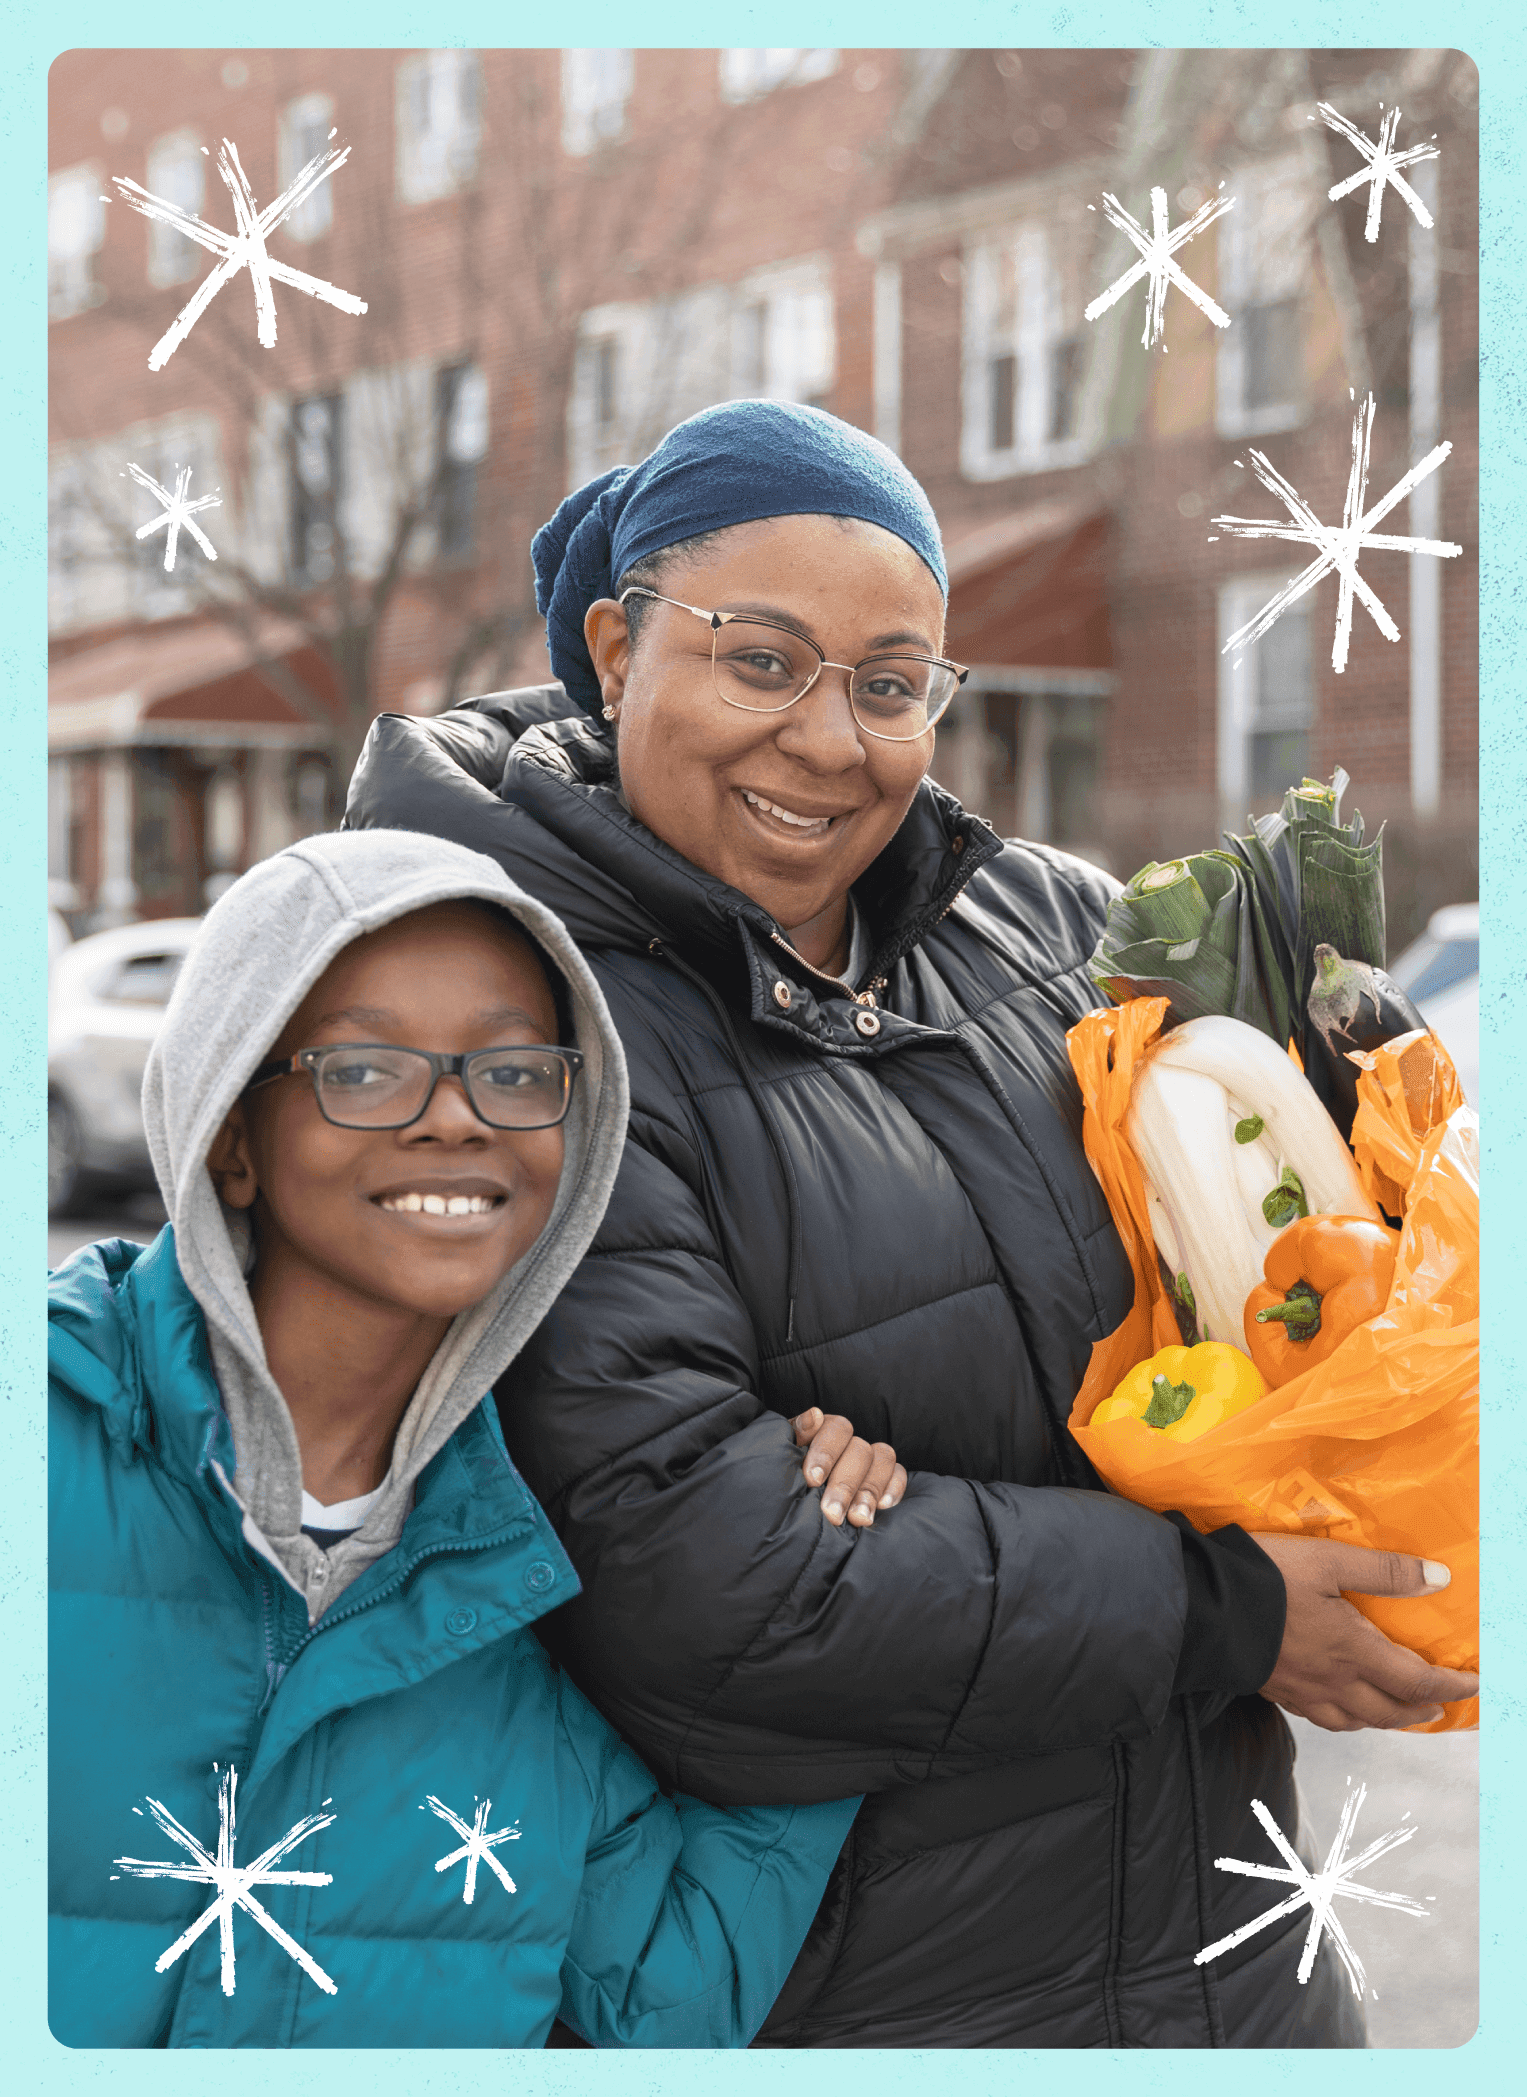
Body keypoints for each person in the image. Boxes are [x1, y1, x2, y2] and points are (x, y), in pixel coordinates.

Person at [345, 400, 1479, 2048]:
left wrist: (1375, 1113)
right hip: (863, 2009)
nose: (829, 737)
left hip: (1239, 1970)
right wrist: (1227, 1604)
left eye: (889, 685)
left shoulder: (1051, 935)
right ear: (613, 645)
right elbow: (708, 1597)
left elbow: (1300, 1252)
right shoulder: (524, 1021)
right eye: (760, 660)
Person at [47, 827, 909, 2049]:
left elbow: (663, 2004)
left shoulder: (552, 1549)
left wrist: (828, 1580)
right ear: (231, 1135)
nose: (456, 1120)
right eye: (365, 1068)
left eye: (512, 1073)